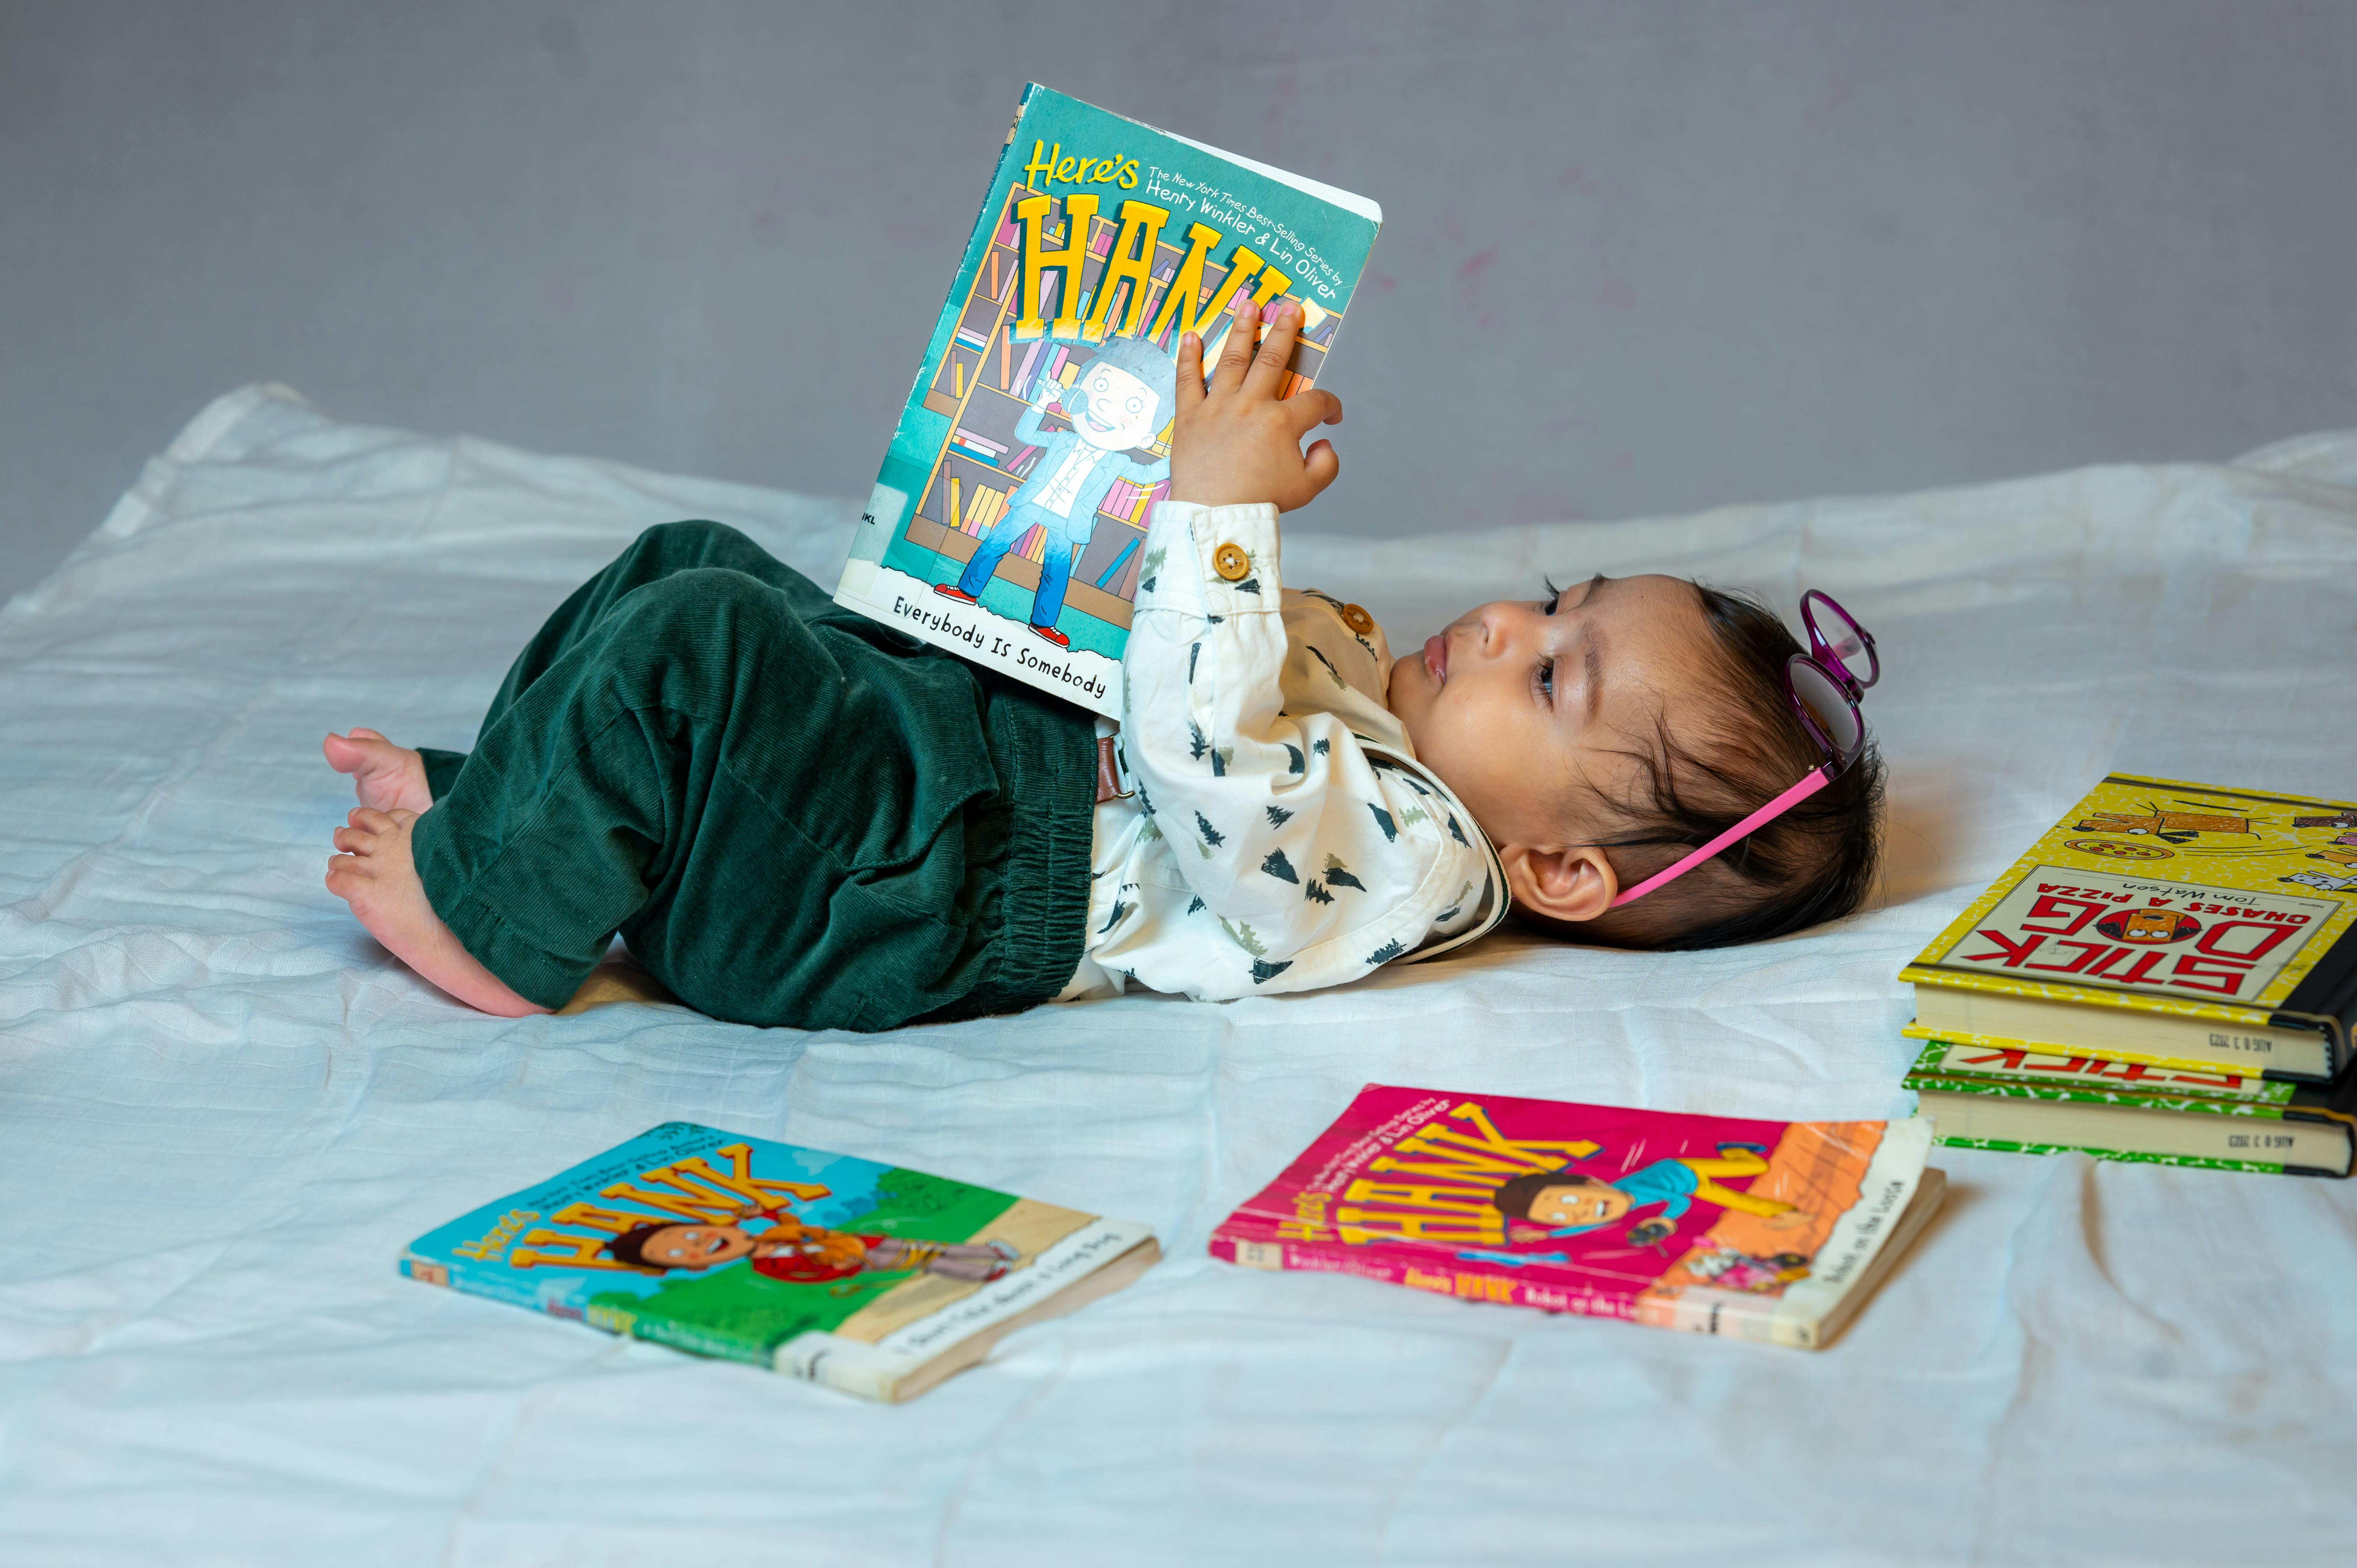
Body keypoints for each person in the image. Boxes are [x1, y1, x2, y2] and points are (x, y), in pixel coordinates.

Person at [320, 290, 1885, 1030]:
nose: (1501, 629)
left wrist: (1217, 513)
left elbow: (1212, 764)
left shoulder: (1415, 867)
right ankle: (513, 820)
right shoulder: (1395, 728)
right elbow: (1162, 649)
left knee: (693, 645)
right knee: (697, 565)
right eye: (1552, 603)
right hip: (954, 760)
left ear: (1556, 873)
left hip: (919, 894)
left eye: (1552, 679)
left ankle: (500, 930)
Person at [935, 337, 1173, 646]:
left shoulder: (1118, 461)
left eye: (1133, 406)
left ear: (1147, 437)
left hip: (1068, 520)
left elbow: (1147, 475)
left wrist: (1184, 452)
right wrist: (1040, 404)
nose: (1104, 406)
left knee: (1056, 571)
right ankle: (967, 591)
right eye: (1100, 387)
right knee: (993, 544)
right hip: (1032, 503)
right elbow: (1025, 434)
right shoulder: (1062, 438)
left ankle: (1043, 623)